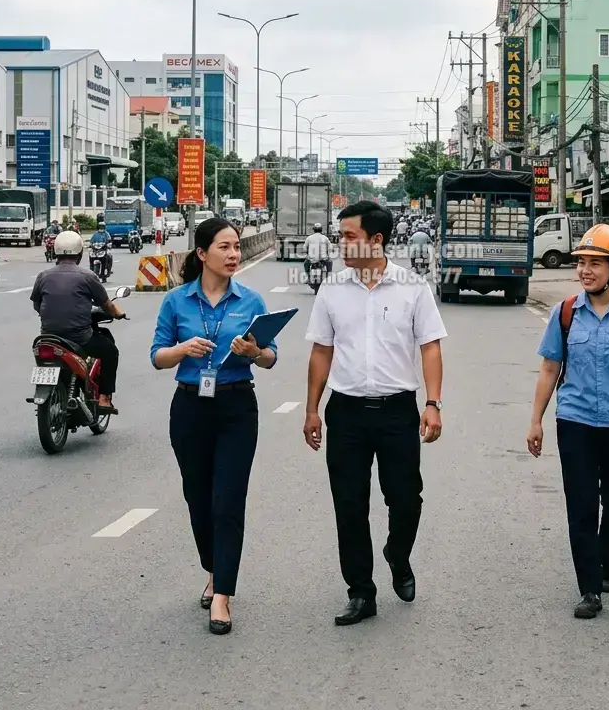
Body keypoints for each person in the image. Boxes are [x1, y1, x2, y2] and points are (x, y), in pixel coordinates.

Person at [304, 200, 448, 626]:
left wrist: (433, 403)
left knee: (406, 499)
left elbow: (431, 346)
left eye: (349, 236)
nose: (341, 243)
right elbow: (321, 351)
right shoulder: (331, 288)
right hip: (345, 412)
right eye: (340, 235)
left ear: (376, 240)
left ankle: (397, 555)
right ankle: (361, 592)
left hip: (397, 411)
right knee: (348, 506)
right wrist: (312, 410)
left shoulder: (412, 287)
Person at [526, 224, 609, 619]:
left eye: (595, 263)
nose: (586, 271)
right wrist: (535, 420)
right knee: (582, 505)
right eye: (582, 263)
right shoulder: (565, 313)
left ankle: (605, 562)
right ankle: (590, 588)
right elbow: (550, 368)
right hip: (576, 422)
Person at [150, 217, 278, 636]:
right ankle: (213, 568)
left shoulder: (251, 300)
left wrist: (254, 350)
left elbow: (270, 357)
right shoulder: (176, 301)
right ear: (202, 254)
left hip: (237, 406)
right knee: (198, 499)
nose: (234, 254)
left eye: (237, 246)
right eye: (224, 247)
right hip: (189, 408)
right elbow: (157, 357)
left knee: (228, 500)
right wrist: (182, 349)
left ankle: (223, 593)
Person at [30, 231, 124, 412]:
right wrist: (119, 314)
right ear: (80, 253)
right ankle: (104, 399)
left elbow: (37, 305)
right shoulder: (87, 276)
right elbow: (107, 305)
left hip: (48, 337)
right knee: (110, 352)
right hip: (79, 338)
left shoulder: (43, 276)